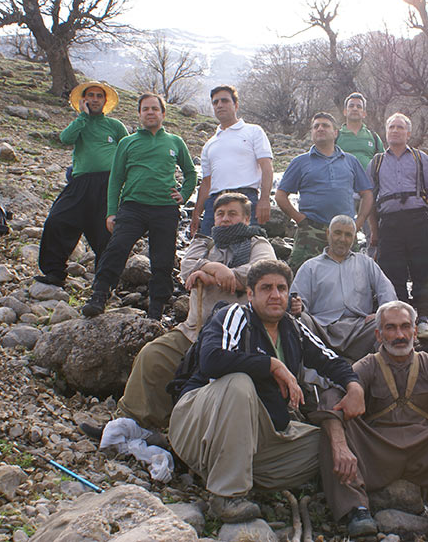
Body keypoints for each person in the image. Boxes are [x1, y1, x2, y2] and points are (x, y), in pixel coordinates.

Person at [168, 259, 365, 523]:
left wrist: (354, 386)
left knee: (328, 442)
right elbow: (211, 360)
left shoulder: (292, 327)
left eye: (282, 288)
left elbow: (332, 361)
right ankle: (227, 495)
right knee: (239, 383)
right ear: (250, 294)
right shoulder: (236, 315)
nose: (276, 295)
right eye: (266, 288)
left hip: (258, 438)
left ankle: (242, 473)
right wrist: (271, 364)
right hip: (200, 423)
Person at [314, 300, 428, 538]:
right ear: (378, 335)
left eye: (405, 327)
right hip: (377, 453)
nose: (399, 335)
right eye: (390, 328)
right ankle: (356, 511)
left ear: (415, 331)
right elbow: (331, 396)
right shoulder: (368, 365)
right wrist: (340, 445)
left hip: (427, 454)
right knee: (333, 426)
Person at [113, 193, 275, 432]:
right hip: (194, 330)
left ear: (246, 218)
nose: (225, 219)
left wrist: (220, 276)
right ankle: (134, 422)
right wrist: (214, 267)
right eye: (220, 214)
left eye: (232, 214)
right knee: (152, 356)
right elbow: (187, 267)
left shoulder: (258, 243)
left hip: (237, 336)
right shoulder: (205, 242)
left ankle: (191, 432)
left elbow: (261, 274)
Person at [81, 93, 197, 320]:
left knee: (163, 260)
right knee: (116, 248)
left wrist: (183, 194)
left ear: (163, 114)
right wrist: (111, 212)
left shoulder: (175, 142)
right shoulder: (127, 142)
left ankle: (156, 309)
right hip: (133, 206)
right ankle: (100, 294)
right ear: (140, 114)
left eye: (155, 108)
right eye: (146, 109)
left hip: (165, 209)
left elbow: (190, 172)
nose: (151, 112)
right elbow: (116, 179)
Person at [36, 81, 128, 287]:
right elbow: (65, 138)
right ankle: (54, 272)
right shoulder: (80, 123)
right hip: (80, 183)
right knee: (57, 220)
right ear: (84, 100)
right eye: (91, 96)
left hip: (108, 184)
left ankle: (105, 281)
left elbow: (128, 153)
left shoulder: (115, 126)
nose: (95, 99)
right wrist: (83, 116)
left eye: (99, 96)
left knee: (105, 232)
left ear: (105, 101)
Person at [367, 112, 428, 342]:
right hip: (389, 223)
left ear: (408, 133)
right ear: (385, 132)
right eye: (391, 127)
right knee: (392, 272)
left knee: (425, 269)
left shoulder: (421, 158)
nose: (395, 131)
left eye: (400, 127)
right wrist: (374, 230)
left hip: (418, 220)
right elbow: (369, 199)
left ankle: (422, 319)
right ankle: (404, 320)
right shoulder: (377, 161)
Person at [290, 215, 396, 362]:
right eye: (337, 233)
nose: (342, 239)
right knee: (298, 321)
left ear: (354, 238)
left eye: (348, 235)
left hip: (360, 329)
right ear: (328, 234)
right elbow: (297, 301)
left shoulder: (365, 262)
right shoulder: (310, 267)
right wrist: (297, 306)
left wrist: (381, 313)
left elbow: (386, 289)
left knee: (387, 322)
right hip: (321, 328)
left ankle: (382, 373)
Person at [276, 112, 373, 272]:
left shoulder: (350, 161)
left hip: (345, 230)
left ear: (335, 133)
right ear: (312, 133)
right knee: (302, 277)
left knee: (353, 276)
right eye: (316, 126)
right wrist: (299, 219)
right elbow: (280, 195)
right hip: (311, 230)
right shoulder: (300, 162)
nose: (320, 129)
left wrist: (359, 221)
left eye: (325, 125)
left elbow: (367, 193)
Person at [190, 85, 273, 237]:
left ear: (236, 105)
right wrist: (196, 213)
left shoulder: (253, 131)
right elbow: (206, 183)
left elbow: (266, 166)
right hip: (215, 203)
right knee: (210, 248)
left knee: (248, 248)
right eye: (215, 102)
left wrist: (265, 199)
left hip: (247, 199)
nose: (219, 105)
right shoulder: (209, 144)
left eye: (224, 101)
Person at [336, 92, 382, 256]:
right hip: (342, 192)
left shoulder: (374, 137)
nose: (355, 109)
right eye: (351, 106)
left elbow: (383, 163)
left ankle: (372, 270)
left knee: (374, 235)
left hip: (369, 193)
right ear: (345, 111)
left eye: (359, 106)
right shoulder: (336, 136)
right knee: (340, 233)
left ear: (364, 113)